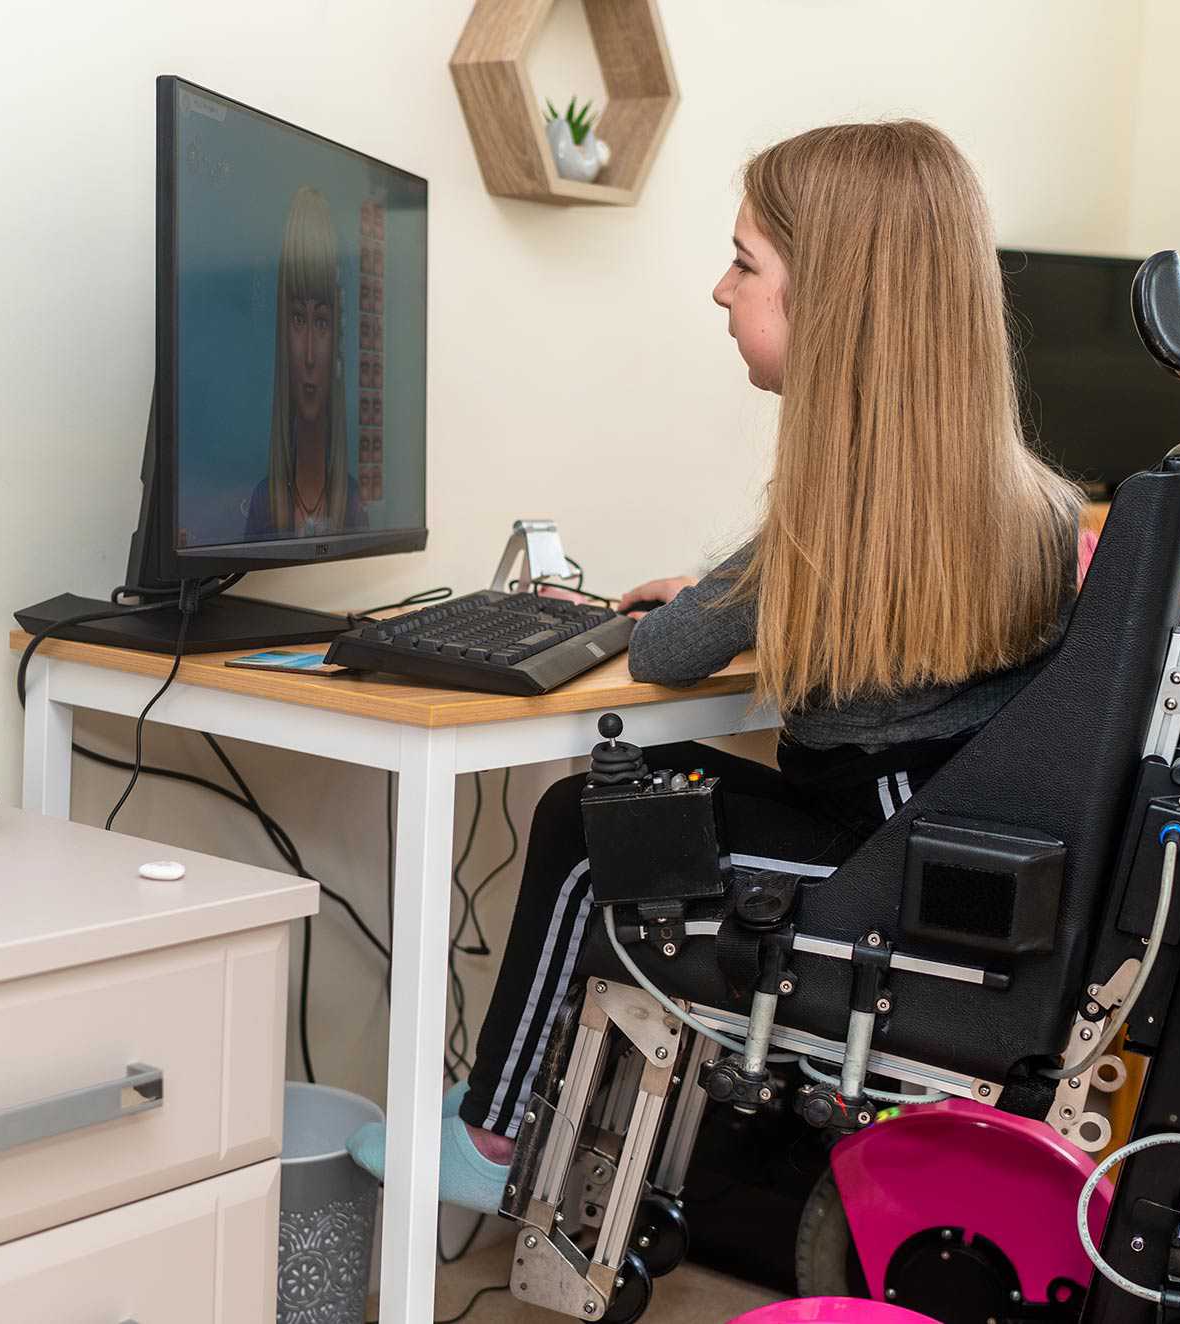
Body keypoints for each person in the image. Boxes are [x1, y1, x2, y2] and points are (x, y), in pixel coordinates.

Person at [349, 121, 1085, 1212]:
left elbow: (664, 645)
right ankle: (511, 1125)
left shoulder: (841, 513)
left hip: (873, 869)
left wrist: (702, 601)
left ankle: (489, 1137)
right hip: (926, 843)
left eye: (745, 264)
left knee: (585, 830)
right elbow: (765, 610)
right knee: (626, 803)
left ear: (834, 304)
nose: (717, 290)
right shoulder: (1026, 501)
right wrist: (720, 593)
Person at [243, 185, 367, 540]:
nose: (310, 354)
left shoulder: (354, 505)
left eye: (322, 322)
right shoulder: (263, 504)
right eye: (299, 319)